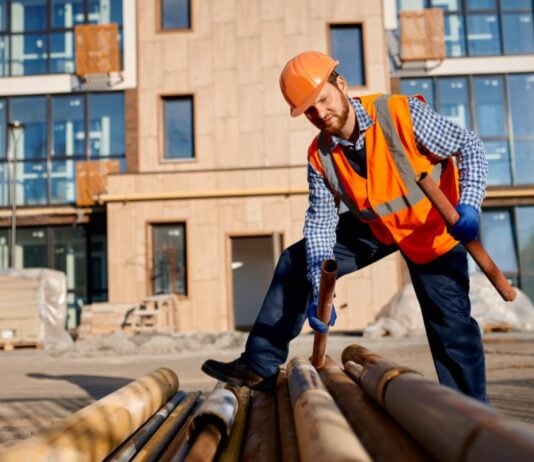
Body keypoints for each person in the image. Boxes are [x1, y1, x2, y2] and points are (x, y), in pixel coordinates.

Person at [202, 50, 489, 402]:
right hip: (380, 229)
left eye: (323, 100)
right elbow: (322, 222)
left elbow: (469, 147)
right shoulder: (320, 154)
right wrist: (320, 284)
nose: (321, 114)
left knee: (452, 328)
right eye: (309, 110)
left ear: (341, 84)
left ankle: (471, 415)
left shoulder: (401, 113)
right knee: (296, 261)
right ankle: (259, 364)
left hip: (434, 227)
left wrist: (469, 205)